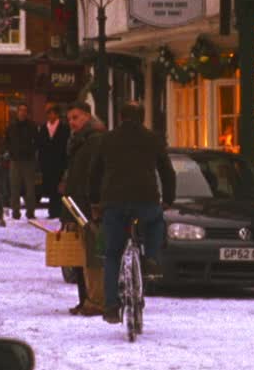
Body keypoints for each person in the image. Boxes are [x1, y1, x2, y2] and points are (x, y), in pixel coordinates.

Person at [88, 101, 176, 324]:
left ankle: (110, 306)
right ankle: (152, 258)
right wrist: (168, 200)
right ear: (143, 117)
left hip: (114, 201)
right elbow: (167, 171)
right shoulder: (153, 138)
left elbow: (95, 172)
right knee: (156, 222)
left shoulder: (107, 139)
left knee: (112, 254)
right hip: (146, 198)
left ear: (120, 117)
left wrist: (95, 202)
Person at [59, 102, 106, 316]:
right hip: (76, 202)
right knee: (79, 256)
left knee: (91, 254)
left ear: (87, 116)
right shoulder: (79, 140)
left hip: (86, 204)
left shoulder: (94, 139)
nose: (72, 122)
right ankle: (84, 299)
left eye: (75, 117)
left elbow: (93, 173)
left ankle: (94, 300)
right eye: (69, 119)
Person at [4, 103, 39, 220]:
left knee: (30, 189)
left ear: (27, 113)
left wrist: (32, 152)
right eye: (21, 110)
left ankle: (30, 212)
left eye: (25, 110)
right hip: (15, 161)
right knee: (14, 188)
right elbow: (7, 141)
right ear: (17, 112)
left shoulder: (32, 126)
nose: (23, 113)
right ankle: (15, 212)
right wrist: (10, 152)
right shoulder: (11, 126)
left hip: (29, 161)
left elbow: (37, 142)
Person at [36, 103, 70, 220]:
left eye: (50, 113)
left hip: (60, 162)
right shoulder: (43, 128)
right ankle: (52, 211)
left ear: (56, 113)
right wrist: (40, 163)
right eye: (47, 113)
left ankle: (60, 211)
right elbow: (40, 146)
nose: (48, 116)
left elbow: (66, 145)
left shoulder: (64, 127)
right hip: (47, 164)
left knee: (59, 188)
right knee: (50, 188)